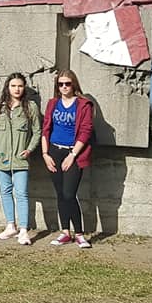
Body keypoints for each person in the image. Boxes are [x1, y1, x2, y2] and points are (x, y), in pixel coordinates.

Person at [41, 70, 95, 249]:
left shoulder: (84, 104)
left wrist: (73, 155)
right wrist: (45, 154)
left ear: (74, 84)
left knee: (69, 194)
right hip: (54, 151)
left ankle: (79, 234)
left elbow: (86, 131)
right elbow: (45, 129)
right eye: (60, 84)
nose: (64, 87)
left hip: (73, 153)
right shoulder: (52, 103)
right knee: (60, 194)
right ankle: (65, 232)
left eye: (67, 83)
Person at [0, 72, 40, 245]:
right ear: (8, 87)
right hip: (1, 157)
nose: (17, 89)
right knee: (5, 192)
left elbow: (37, 131)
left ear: (24, 87)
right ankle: (11, 226)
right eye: (13, 86)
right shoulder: (0, 106)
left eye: (20, 86)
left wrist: (29, 149)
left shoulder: (30, 107)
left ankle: (24, 230)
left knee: (21, 193)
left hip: (20, 158)